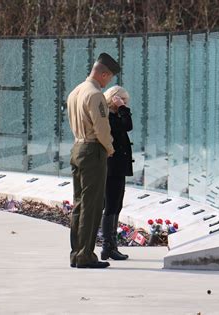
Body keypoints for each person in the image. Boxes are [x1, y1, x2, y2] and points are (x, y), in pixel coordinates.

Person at [67, 53, 124, 269]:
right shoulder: (96, 95)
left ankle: (76, 252)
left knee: (80, 204)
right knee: (92, 205)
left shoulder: (76, 92)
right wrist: (109, 147)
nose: (107, 81)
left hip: (77, 147)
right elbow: (101, 127)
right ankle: (85, 255)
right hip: (92, 150)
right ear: (102, 73)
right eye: (107, 77)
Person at [100, 86, 133, 261]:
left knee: (117, 204)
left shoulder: (114, 116)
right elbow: (127, 125)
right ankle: (107, 246)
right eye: (122, 100)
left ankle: (112, 245)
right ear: (114, 99)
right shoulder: (109, 117)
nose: (125, 104)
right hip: (111, 167)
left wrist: (121, 108)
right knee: (111, 206)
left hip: (118, 167)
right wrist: (122, 108)